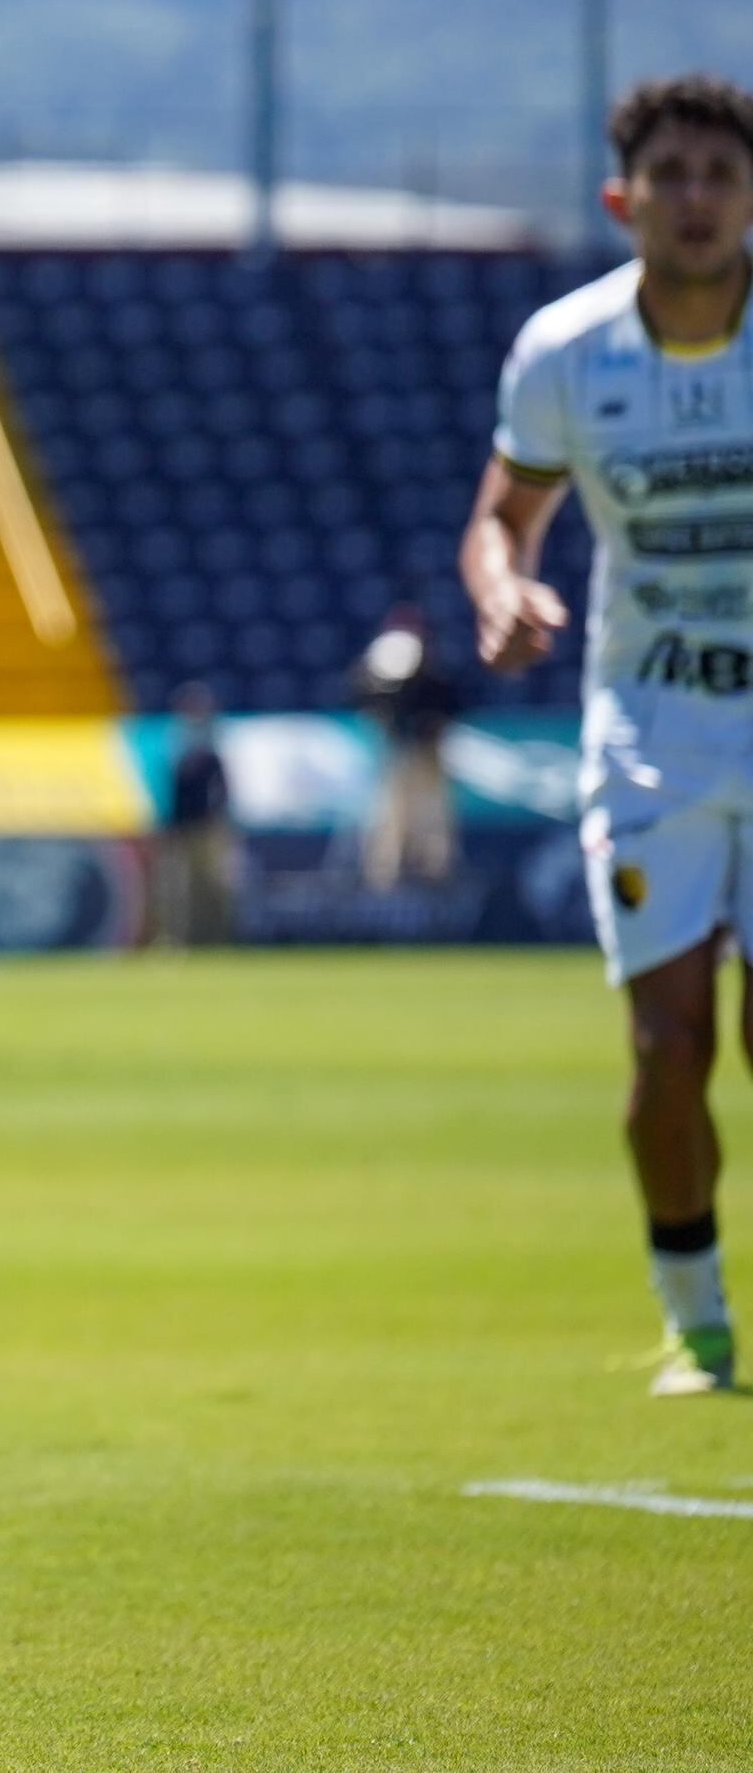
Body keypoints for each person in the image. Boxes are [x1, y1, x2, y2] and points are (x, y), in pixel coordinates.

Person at [464, 71, 753, 1400]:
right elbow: (504, 515)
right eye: (673, 176)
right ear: (621, 199)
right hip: (651, 730)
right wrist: (500, 588)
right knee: (667, 1042)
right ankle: (695, 1314)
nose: (696, 199)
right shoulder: (565, 352)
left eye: (719, 174)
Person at [349, 603, 465, 889]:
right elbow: (362, 700)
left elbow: (451, 706)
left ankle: (437, 877)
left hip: (428, 754)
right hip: (397, 752)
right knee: (391, 819)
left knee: (433, 820)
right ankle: (384, 881)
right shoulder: (380, 673)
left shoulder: (436, 679)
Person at [153, 685, 237, 951]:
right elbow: (171, 795)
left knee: (212, 887)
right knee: (177, 890)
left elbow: (222, 793)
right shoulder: (175, 749)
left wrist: (217, 822)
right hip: (181, 829)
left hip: (207, 829)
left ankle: (217, 938)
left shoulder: (211, 753)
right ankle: (178, 940)